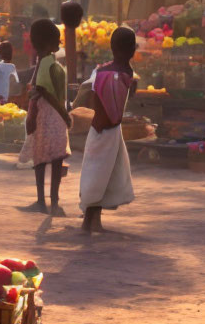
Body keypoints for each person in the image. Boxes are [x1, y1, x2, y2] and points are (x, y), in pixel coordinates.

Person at [79, 27, 137, 233]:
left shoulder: (101, 71)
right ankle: (89, 221)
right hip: (109, 130)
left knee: (100, 173)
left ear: (111, 48)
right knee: (100, 173)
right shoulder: (127, 74)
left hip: (100, 130)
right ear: (133, 49)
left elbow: (89, 93)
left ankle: (93, 219)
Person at [19, 19, 71, 215]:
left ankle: (45, 201)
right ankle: (52, 202)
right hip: (52, 117)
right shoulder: (49, 65)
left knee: (42, 159)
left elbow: (49, 94)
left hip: (50, 116)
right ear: (50, 43)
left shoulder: (48, 65)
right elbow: (55, 95)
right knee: (51, 159)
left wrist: (65, 116)